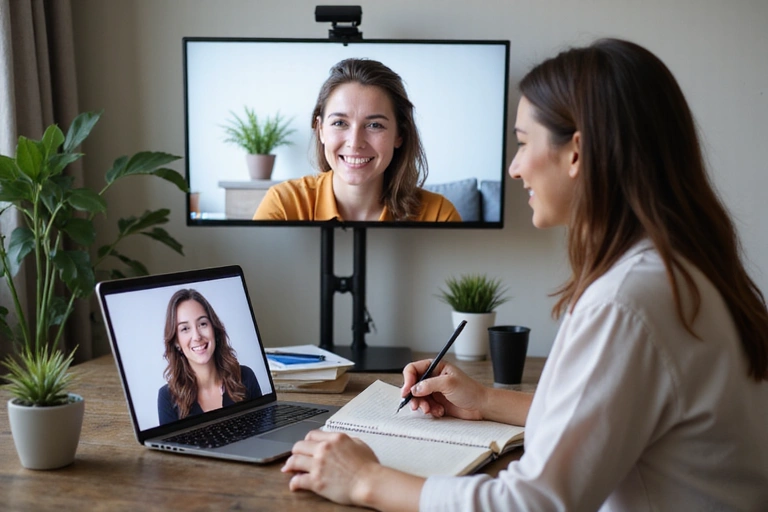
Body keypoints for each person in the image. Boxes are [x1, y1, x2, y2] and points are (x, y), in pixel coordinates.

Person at [279, 38, 768, 510]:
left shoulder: (629, 300)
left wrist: (366, 480)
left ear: (576, 152)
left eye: (522, 142)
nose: (513, 168)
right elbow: (601, 419)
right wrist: (484, 400)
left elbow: (535, 503)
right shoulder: (676, 271)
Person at [253, 58, 462, 222]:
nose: (355, 142)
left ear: (399, 135)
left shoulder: (438, 214)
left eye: (374, 125)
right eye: (340, 123)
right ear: (321, 130)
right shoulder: (283, 205)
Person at [157, 288, 262, 425]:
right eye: (185, 329)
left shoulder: (245, 377)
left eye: (202, 324)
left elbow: (265, 431)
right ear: (176, 342)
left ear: (214, 329)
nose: (197, 336)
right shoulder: (167, 398)